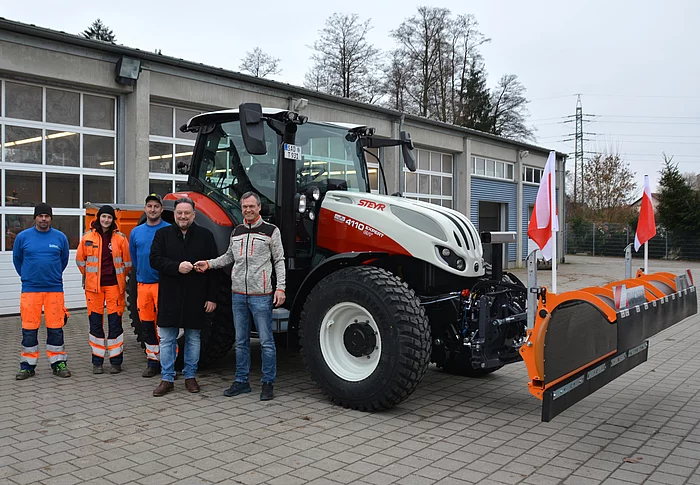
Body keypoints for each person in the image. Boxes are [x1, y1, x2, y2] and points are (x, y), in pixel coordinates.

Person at [194, 191, 285, 401]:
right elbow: (228, 257)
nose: (248, 210)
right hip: (238, 295)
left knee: (266, 342)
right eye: (245, 207)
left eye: (252, 206)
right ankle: (241, 381)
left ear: (259, 207)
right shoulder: (237, 231)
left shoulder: (271, 231)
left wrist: (280, 288)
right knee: (241, 341)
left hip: (261, 295)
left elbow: (279, 260)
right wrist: (208, 264)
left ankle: (268, 382)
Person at [150, 197, 218, 397]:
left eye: (187, 213)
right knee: (167, 339)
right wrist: (176, 267)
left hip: (196, 296)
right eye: (179, 213)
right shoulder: (162, 235)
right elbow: (154, 260)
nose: (183, 216)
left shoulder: (205, 236)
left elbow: (214, 268)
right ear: (174, 214)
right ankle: (167, 378)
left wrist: (212, 297)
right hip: (170, 296)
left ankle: (190, 376)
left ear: (193, 215)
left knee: (194, 338)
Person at [13, 203, 71, 379]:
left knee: (56, 328)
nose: (44, 219)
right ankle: (27, 366)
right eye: (40, 216)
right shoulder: (23, 237)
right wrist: (28, 277)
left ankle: (58, 363)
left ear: (51, 218)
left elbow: (63, 260)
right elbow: (17, 260)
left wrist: (52, 275)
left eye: (47, 216)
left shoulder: (60, 238)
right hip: (31, 290)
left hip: (54, 290)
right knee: (29, 329)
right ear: (35, 218)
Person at [76, 205, 132, 374]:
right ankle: (97, 362)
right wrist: (90, 277)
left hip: (114, 286)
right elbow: (80, 261)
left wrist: (119, 277)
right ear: (98, 218)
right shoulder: (87, 237)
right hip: (94, 288)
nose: (106, 220)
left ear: (113, 219)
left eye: (109, 217)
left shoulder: (120, 238)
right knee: (95, 324)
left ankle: (116, 362)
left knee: (115, 323)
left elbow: (127, 263)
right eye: (104, 216)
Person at [129, 194, 170, 377]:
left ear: (161, 209)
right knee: (146, 325)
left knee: (166, 327)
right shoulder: (136, 232)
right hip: (143, 285)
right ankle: (153, 362)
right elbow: (135, 258)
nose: (153, 209)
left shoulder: (169, 230)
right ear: (145, 209)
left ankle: (169, 363)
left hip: (163, 285)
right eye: (149, 206)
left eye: (156, 206)